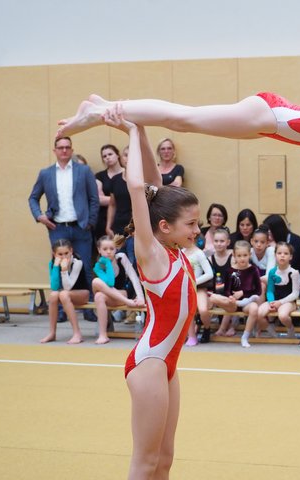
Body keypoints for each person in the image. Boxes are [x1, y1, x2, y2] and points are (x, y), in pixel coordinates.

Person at [57, 54, 300, 179]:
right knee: (183, 119)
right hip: (270, 116)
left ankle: (103, 104)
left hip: (269, 126)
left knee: (185, 120)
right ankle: (100, 112)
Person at [103, 105, 200, 479]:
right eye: (190, 224)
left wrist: (140, 130)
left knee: (164, 460)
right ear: (163, 226)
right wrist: (129, 134)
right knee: (145, 462)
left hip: (168, 365)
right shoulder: (152, 253)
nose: (197, 229)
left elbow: (153, 183)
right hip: (150, 363)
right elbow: (137, 188)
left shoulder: (176, 252)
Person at [29, 136, 99, 321]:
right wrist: (40, 216)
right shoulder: (46, 174)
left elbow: (94, 198)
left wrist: (91, 221)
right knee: (59, 267)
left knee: (86, 268)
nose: (64, 150)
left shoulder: (83, 171)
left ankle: (89, 309)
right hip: (58, 227)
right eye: (60, 148)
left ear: (72, 149)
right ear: (55, 151)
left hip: (81, 226)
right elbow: (33, 198)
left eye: (67, 147)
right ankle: (59, 310)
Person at [91, 235, 145, 345]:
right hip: (106, 297)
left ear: (116, 249)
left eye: (111, 249)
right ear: (99, 250)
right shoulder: (99, 265)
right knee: (97, 288)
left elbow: (134, 278)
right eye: (105, 249)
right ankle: (103, 334)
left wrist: (140, 297)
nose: (109, 252)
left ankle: (103, 333)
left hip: (122, 294)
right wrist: (107, 264)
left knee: (98, 290)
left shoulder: (121, 257)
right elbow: (109, 282)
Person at [210, 240, 261, 347]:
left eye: (245, 255)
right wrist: (230, 297)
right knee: (214, 298)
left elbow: (258, 291)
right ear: (234, 255)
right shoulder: (230, 271)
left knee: (254, 308)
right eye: (239, 255)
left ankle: (244, 337)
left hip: (246, 302)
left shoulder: (253, 270)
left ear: (250, 255)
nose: (242, 258)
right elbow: (226, 290)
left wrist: (242, 292)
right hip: (233, 304)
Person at [41, 239, 90, 344]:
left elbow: (68, 287)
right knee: (53, 295)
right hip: (66, 294)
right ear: (54, 254)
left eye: (66, 253)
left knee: (63, 294)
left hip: (82, 294)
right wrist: (55, 267)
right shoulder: (53, 263)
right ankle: (52, 333)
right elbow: (54, 287)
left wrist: (64, 270)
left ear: (71, 251)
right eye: (60, 254)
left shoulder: (77, 263)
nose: (64, 257)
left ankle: (77, 333)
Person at [257, 242, 300, 338]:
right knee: (258, 314)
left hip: (289, 301)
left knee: (283, 315)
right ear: (275, 255)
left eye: (286, 253)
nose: (282, 256)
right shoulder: (272, 272)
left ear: (290, 257)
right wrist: (271, 302)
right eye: (279, 253)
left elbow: (295, 293)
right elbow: (270, 291)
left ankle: (291, 329)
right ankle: (272, 332)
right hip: (274, 300)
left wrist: (280, 302)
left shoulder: (294, 273)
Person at [182, 236, 214, 346]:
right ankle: (191, 335)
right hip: (184, 288)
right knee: (187, 310)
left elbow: (209, 274)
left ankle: (207, 327)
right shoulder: (181, 252)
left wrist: (194, 281)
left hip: (199, 287)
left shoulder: (199, 253)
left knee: (203, 310)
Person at [262, 214, 300, 286]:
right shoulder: (271, 242)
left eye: (269, 233)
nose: (268, 237)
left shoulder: (295, 241)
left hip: (297, 275)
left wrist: (276, 249)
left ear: (276, 231)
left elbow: (286, 264)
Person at [94, 144, 124, 242]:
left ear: (117, 155)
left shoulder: (127, 173)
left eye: (110, 154)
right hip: (104, 220)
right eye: (104, 156)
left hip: (125, 218)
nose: (107, 158)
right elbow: (99, 199)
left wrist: (111, 199)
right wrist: (121, 198)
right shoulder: (99, 176)